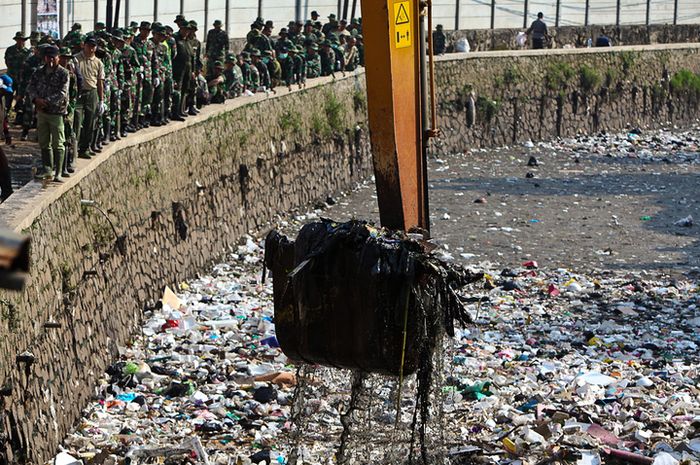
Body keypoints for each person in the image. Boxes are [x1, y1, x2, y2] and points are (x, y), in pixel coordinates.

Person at [26, 45, 69, 181]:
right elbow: (31, 87)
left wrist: (47, 101)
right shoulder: (38, 72)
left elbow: (63, 93)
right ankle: (47, 169)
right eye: (48, 57)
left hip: (56, 112)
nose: (50, 60)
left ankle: (59, 172)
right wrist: (36, 99)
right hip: (42, 112)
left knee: (58, 142)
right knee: (44, 142)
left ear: (58, 58)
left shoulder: (64, 73)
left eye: (53, 57)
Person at [74, 36, 105, 159]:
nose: (91, 49)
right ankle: (74, 149)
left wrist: (101, 100)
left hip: (92, 93)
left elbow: (100, 82)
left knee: (90, 122)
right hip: (79, 93)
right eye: (89, 46)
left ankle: (85, 148)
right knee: (76, 121)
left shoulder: (98, 62)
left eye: (93, 46)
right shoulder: (76, 59)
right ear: (84, 45)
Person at [4, 32, 31, 115]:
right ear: (16, 40)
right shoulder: (10, 50)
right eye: (19, 40)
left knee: (21, 99)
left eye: (22, 40)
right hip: (11, 78)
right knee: (8, 98)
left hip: (22, 80)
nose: (20, 41)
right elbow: (6, 61)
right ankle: (5, 116)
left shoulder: (27, 52)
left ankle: (19, 118)